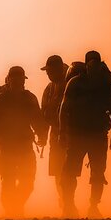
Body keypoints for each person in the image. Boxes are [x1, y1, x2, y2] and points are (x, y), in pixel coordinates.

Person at [59, 51, 111, 218]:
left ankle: (93, 206)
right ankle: (69, 204)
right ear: (86, 65)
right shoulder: (75, 83)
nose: (94, 66)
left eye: (96, 63)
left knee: (98, 172)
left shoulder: (107, 84)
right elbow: (64, 108)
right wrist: (62, 131)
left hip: (98, 134)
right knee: (70, 172)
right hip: (76, 134)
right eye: (91, 63)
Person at [0, 66, 48, 217]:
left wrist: (42, 135)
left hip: (24, 146)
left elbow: (37, 120)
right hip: (7, 146)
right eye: (15, 79)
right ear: (9, 80)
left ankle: (16, 206)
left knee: (27, 182)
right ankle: (11, 210)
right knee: (9, 181)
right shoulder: (1, 99)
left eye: (19, 79)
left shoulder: (29, 98)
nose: (18, 82)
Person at [40, 55, 69, 209]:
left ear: (59, 68)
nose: (48, 74)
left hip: (71, 133)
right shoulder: (49, 88)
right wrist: (43, 135)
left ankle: (67, 200)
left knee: (68, 170)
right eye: (47, 72)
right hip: (56, 134)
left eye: (50, 71)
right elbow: (44, 113)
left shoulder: (71, 83)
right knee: (59, 170)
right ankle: (65, 200)